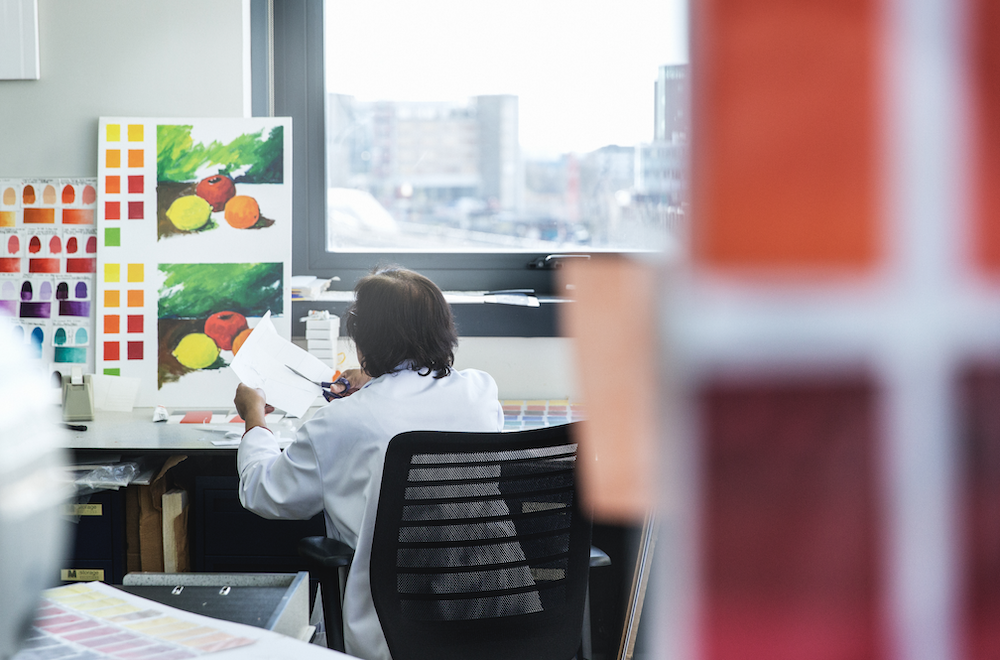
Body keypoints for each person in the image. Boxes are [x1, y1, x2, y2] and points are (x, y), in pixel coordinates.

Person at [234, 266, 504, 660]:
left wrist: (253, 417)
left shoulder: (342, 422)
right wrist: (376, 380)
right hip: (490, 615)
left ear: (364, 342)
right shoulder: (480, 392)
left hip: (390, 635)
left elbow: (263, 492)